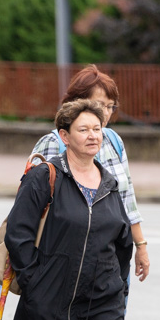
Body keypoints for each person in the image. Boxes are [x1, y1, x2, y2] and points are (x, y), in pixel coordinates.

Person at [5, 100, 132, 320]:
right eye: (83, 130)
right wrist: (35, 282)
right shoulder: (45, 176)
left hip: (102, 297)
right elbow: (19, 234)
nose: (93, 136)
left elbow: (121, 239)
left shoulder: (109, 182)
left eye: (97, 129)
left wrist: (118, 286)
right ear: (64, 136)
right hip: (53, 295)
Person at [30, 65, 149, 286]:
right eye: (99, 104)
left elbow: (127, 199)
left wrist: (140, 246)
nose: (105, 112)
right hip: (64, 262)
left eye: (110, 106)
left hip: (111, 259)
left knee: (112, 317)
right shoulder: (54, 142)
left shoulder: (113, 140)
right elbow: (30, 206)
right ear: (78, 102)